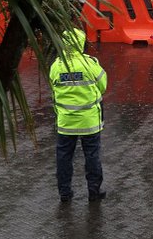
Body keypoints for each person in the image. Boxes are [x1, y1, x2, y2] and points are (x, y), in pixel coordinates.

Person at [50, 28, 107, 203]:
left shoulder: (56, 66)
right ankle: (94, 192)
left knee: (64, 157)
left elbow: (53, 87)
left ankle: (65, 193)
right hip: (89, 121)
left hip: (66, 122)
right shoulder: (89, 64)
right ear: (80, 43)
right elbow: (103, 84)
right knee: (92, 156)